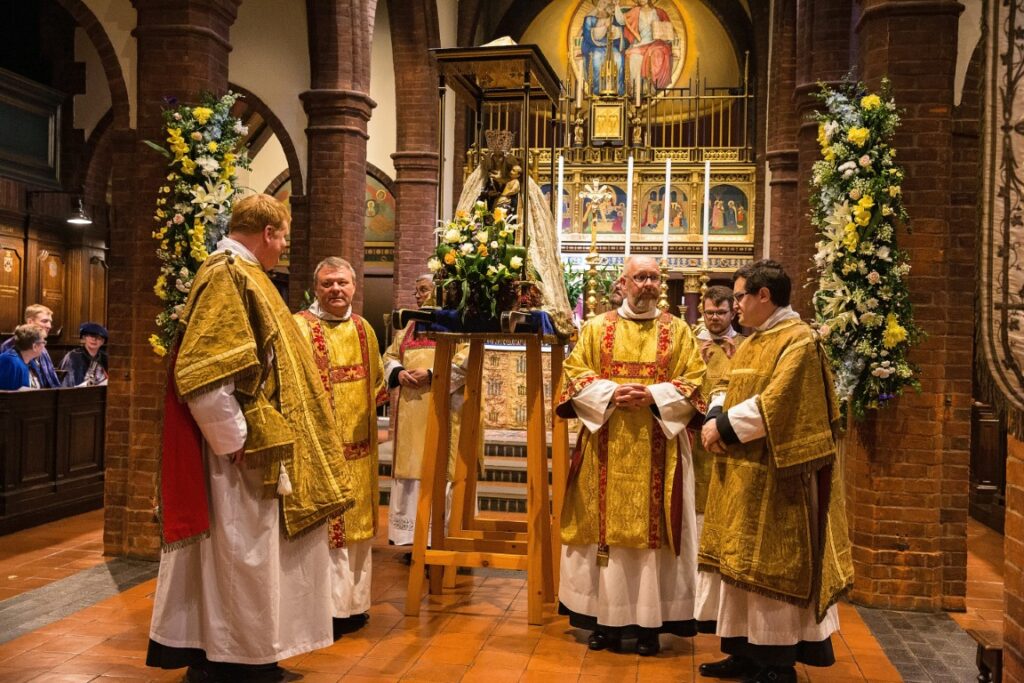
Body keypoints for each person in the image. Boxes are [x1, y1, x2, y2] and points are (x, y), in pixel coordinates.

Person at [148, 193, 355, 683]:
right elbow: (203, 371)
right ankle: (236, 660)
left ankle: (242, 649)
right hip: (242, 450)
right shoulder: (228, 275)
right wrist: (232, 437)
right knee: (239, 553)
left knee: (244, 554)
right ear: (268, 232)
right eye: (282, 237)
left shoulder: (242, 274)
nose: (283, 247)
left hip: (254, 441)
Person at [698, 260, 853, 683]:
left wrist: (722, 427)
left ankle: (776, 662)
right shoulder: (752, 339)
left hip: (777, 478)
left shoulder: (799, 340)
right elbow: (723, 383)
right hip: (741, 472)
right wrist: (714, 416)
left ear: (764, 296)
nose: (735, 306)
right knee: (738, 567)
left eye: (741, 296)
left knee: (770, 567)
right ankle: (744, 652)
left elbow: (779, 402)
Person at [556, 255, 706, 657]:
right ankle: (603, 621)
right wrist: (610, 393)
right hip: (606, 448)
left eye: (655, 278)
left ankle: (649, 627)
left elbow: (695, 380)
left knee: (653, 542)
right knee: (603, 542)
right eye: (640, 277)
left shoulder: (678, 332)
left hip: (661, 450)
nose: (649, 285)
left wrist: (654, 395)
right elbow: (573, 374)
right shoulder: (595, 328)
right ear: (622, 284)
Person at [294, 256, 387, 639]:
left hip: (360, 451)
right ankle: (323, 610)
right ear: (316, 287)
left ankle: (353, 605)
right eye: (328, 283)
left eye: (343, 283)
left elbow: (378, 384)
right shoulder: (298, 328)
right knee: (323, 537)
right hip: (318, 452)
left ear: (354, 287)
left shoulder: (365, 330)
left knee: (359, 532)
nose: (336, 290)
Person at [382, 274, 470, 555]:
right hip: (411, 414)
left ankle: (444, 538)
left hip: (445, 410)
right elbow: (389, 356)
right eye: (416, 290)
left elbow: (468, 360)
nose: (417, 296)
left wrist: (433, 374)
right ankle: (416, 539)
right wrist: (398, 372)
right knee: (414, 473)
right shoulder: (409, 326)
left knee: (442, 469)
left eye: (423, 290)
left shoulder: (458, 325)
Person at [691, 286, 744, 522]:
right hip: (695, 428)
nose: (714, 317)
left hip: (729, 428)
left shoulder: (745, 344)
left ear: (732, 313)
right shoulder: (691, 344)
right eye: (710, 312)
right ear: (702, 312)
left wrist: (737, 361)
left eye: (721, 313)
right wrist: (696, 365)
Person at [619, 0, 675, 92]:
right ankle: (636, 90)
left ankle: (652, 87)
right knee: (632, 55)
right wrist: (616, 6)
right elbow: (622, 19)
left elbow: (669, 31)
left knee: (657, 54)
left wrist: (665, 37)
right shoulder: (636, 11)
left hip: (658, 43)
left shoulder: (659, 12)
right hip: (642, 43)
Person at [0, 304, 60, 387]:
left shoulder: (43, 348)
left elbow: (51, 380)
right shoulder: (9, 348)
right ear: (30, 322)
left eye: (50, 322)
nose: (49, 326)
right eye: (44, 321)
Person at [581, 0, 625, 96]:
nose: (604, 4)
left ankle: (618, 89)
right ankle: (597, 89)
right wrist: (601, 31)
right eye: (602, 1)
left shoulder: (611, 17)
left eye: (606, 2)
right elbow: (587, 35)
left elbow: (621, 26)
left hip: (610, 45)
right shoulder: (589, 18)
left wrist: (614, 31)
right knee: (597, 57)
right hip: (594, 46)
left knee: (618, 57)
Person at [60, 322, 108, 387]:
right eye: (91, 336)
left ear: (102, 342)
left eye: (98, 337)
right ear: (84, 337)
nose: (94, 339)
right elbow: (65, 383)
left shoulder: (105, 358)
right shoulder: (72, 357)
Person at [0, 324, 46, 390]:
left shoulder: (31, 362)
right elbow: (5, 396)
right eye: (43, 342)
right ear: (34, 346)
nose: (44, 346)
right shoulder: (9, 361)